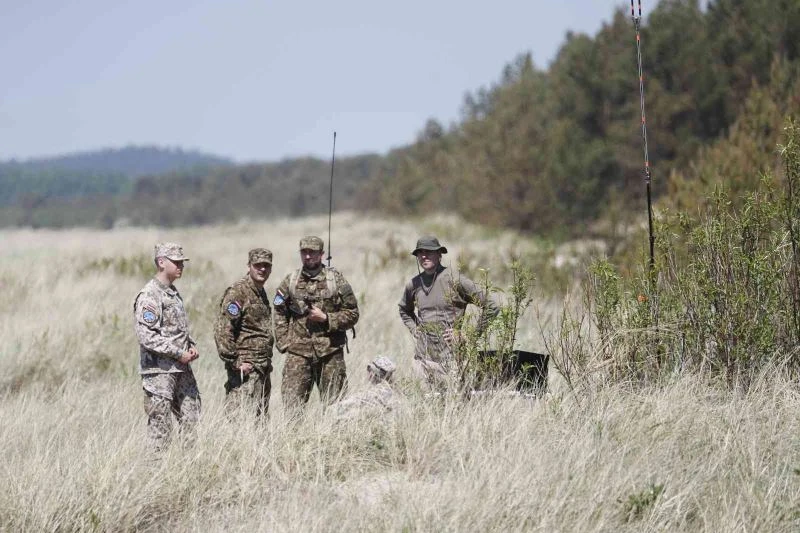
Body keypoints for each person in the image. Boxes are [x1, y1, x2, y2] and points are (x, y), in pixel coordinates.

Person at [398, 236, 500, 388]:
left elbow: (492, 306)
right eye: (420, 252)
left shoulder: (455, 279)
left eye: (429, 252)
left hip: (451, 359)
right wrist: (414, 328)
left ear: (439, 254)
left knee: (452, 406)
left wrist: (468, 335)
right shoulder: (413, 284)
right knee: (421, 406)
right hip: (422, 359)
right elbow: (404, 309)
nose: (424, 256)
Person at [273, 236, 359, 410]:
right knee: (292, 408)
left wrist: (327, 318)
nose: (308, 257)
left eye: (312, 253)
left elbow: (353, 313)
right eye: (304, 252)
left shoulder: (335, 280)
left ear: (321, 254)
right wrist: (283, 341)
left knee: (336, 407)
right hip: (298, 354)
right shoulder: (291, 280)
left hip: (330, 353)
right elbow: (278, 310)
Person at [133, 242, 201, 451]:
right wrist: (178, 352)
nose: (181, 266)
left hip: (180, 368)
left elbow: (175, 328)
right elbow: (146, 336)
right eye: (176, 262)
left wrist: (189, 345)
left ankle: (189, 469)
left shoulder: (171, 292)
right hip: (159, 373)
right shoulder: (150, 295)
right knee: (161, 428)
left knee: (192, 418)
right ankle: (156, 473)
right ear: (161, 262)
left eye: (182, 262)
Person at [214, 248, 275, 416]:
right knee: (239, 417)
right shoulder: (238, 292)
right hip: (246, 368)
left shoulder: (260, 292)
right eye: (258, 265)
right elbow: (222, 329)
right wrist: (235, 361)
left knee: (259, 419)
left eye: (266, 266)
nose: (262, 269)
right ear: (249, 266)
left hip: (262, 367)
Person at [330, 357, 399, 421]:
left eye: (369, 369)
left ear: (373, 373)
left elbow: (337, 409)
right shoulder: (395, 392)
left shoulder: (373, 393)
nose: (368, 372)